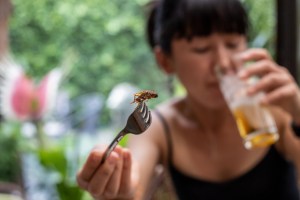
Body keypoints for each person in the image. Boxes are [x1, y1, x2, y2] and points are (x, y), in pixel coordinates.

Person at [76, 0, 300, 199]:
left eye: (232, 44)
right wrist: (119, 188)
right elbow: (134, 186)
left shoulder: (273, 108)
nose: (223, 62)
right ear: (165, 61)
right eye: (201, 49)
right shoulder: (161, 127)